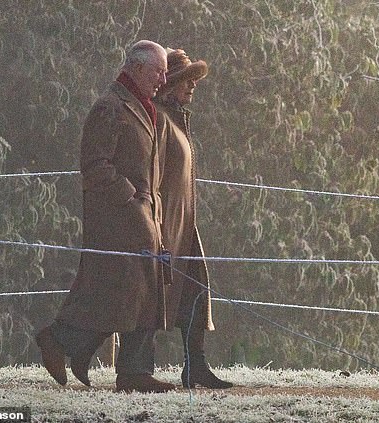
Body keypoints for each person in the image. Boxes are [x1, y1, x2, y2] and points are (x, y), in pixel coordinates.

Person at [35, 39, 176, 393]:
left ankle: (129, 369)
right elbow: (95, 166)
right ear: (138, 68)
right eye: (159, 71)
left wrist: (151, 209)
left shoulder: (145, 108)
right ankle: (60, 341)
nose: (163, 80)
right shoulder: (110, 108)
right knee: (115, 294)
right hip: (118, 221)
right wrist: (131, 200)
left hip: (144, 217)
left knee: (137, 291)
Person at [155, 48, 232, 389]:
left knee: (196, 287)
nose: (192, 87)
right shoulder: (157, 117)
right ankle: (73, 343)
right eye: (187, 81)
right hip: (165, 221)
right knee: (147, 295)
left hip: (184, 220)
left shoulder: (176, 116)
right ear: (170, 83)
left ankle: (195, 364)